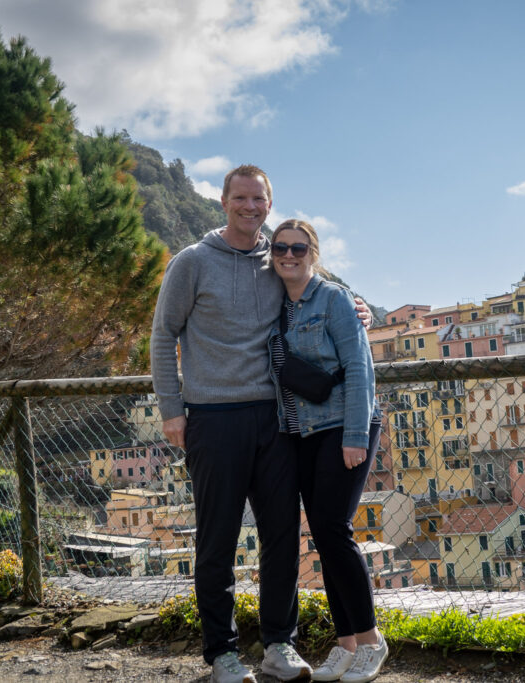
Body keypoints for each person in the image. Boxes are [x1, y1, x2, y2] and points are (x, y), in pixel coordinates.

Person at [150, 166, 370, 683]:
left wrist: (362, 310)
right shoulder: (192, 263)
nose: (250, 206)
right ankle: (223, 654)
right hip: (213, 419)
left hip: (276, 421)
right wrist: (172, 410)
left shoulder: (278, 259)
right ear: (224, 201)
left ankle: (278, 646)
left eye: (259, 199)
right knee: (218, 538)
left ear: (269, 205)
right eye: (241, 198)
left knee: (280, 536)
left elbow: (321, 294)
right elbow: (163, 337)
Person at [268, 219, 388, 683]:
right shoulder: (274, 304)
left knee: (334, 531)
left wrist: (356, 435)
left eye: (299, 247)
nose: (289, 255)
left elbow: (361, 369)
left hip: (343, 425)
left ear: (313, 253)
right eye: (281, 248)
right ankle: (345, 645)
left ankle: (372, 642)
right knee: (322, 533)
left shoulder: (335, 299)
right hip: (299, 432)